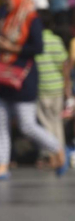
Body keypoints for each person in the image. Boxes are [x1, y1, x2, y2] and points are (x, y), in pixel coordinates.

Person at [0, 0, 65, 181]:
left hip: (23, 78)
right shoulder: (5, 18)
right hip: (2, 77)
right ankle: (2, 166)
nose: (5, 1)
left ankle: (58, 149)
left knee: (27, 124)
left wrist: (12, 48)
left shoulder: (32, 19)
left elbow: (37, 48)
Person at [35, 11, 69, 164]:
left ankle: (52, 155)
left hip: (41, 87)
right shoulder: (56, 41)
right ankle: (60, 153)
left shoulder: (35, 41)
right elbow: (64, 66)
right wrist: (67, 86)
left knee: (45, 123)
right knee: (56, 122)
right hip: (57, 87)